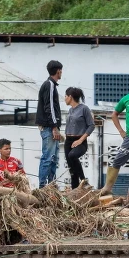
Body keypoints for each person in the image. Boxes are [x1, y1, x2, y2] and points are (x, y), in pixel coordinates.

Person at [101, 75, 129, 195]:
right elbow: (114, 114)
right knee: (117, 161)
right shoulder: (126, 99)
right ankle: (107, 188)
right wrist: (121, 131)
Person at [35, 60, 63, 188]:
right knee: (47, 158)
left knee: (53, 159)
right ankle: (42, 187)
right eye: (61, 70)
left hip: (50, 127)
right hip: (48, 127)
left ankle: (51, 185)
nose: (61, 73)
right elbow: (49, 107)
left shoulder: (50, 85)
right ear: (58, 71)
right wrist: (54, 126)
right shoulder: (50, 85)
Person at [62, 87, 94, 189]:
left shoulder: (84, 109)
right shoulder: (70, 110)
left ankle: (84, 181)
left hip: (80, 140)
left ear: (70, 97)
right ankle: (74, 194)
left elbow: (91, 125)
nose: (64, 98)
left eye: (65, 96)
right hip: (68, 141)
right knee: (72, 171)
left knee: (72, 156)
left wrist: (81, 140)